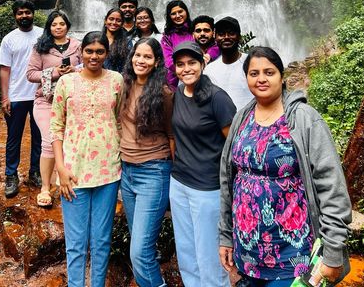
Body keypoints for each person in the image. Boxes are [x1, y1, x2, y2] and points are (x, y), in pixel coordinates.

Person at [219, 46, 352, 287]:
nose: (261, 79)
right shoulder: (241, 118)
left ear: (282, 76)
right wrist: (226, 236)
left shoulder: (304, 118)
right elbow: (228, 180)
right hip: (246, 252)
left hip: (294, 253)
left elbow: (331, 184)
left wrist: (333, 251)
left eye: (269, 72)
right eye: (254, 73)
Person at [50, 31, 124, 287]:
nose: (94, 56)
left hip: (109, 171)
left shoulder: (117, 81)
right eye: (89, 51)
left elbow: (120, 121)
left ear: (106, 53)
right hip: (73, 172)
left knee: (102, 241)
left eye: (99, 51)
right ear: (80, 52)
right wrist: (60, 168)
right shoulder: (66, 83)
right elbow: (56, 127)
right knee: (76, 242)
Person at [170, 41, 236, 287]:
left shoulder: (217, 98)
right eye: (180, 64)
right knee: (186, 252)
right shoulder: (178, 92)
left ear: (203, 63)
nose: (186, 68)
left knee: (210, 255)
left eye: (191, 63)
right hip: (179, 183)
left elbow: (235, 145)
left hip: (208, 188)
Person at [120, 37, 174, 287]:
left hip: (154, 171)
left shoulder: (163, 94)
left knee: (139, 252)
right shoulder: (123, 85)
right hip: (126, 172)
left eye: (147, 57)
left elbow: (172, 136)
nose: (141, 60)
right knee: (140, 247)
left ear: (156, 62)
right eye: (137, 55)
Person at [27, 10, 81, 207]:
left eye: (62, 24)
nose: (58, 27)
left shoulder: (78, 46)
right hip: (46, 101)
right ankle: (45, 188)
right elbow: (30, 74)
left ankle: (63, 182)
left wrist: (75, 70)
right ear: (49, 27)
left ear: (67, 25)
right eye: (54, 24)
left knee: (69, 141)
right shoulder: (40, 47)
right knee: (50, 141)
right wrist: (55, 72)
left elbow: (88, 66)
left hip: (71, 101)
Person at [0, 0, 43, 198]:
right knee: (13, 138)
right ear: (15, 16)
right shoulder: (9, 39)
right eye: (20, 13)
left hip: (40, 94)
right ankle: (11, 175)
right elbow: (4, 69)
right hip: (16, 95)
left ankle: (35, 172)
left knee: (39, 137)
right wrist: (5, 97)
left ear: (33, 13)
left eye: (27, 12)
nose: (24, 16)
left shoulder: (43, 34)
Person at [204, 17, 253, 110]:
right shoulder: (209, 70)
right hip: (221, 123)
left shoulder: (252, 63)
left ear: (239, 37)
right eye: (221, 34)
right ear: (215, 38)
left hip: (250, 121)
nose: (226, 37)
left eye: (231, 33)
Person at [161, 0, 193, 90]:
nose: (178, 16)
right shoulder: (167, 36)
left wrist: (209, 55)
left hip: (198, 75)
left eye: (180, 11)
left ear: (186, 12)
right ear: (169, 16)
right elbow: (168, 59)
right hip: (174, 80)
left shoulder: (196, 30)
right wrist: (186, 72)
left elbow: (213, 45)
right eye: (173, 13)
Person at [102, 8, 131, 72]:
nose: (114, 22)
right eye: (111, 19)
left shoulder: (127, 42)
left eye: (118, 20)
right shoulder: (97, 38)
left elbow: (128, 65)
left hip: (118, 78)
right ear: (105, 21)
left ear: (122, 23)